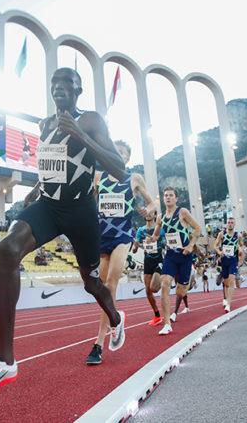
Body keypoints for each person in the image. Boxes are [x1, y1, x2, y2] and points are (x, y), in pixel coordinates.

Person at [0, 68, 127, 403]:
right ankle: (4, 362)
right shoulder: (44, 125)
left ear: (78, 89)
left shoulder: (92, 119)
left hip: (82, 211)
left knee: (91, 282)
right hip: (50, 206)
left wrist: (81, 135)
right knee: (8, 249)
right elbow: (55, 163)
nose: (58, 89)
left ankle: (114, 317)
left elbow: (118, 168)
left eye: (65, 84)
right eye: (54, 84)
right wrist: (38, 187)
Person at [86, 141, 158, 365]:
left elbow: (153, 201)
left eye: (123, 153)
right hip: (101, 236)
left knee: (110, 283)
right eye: (114, 151)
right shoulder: (98, 177)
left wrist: (150, 209)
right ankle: (117, 319)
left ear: (127, 158)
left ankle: (98, 344)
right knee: (99, 288)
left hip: (122, 236)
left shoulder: (133, 178)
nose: (118, 155)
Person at [152, 187, 201, 336]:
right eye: (165, 195)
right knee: (165, 284)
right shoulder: (160, 217)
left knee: (181, 291)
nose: (168, 198)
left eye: (171, 195)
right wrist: (149, 239)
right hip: (170, 256)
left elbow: (197, 228)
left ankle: (190, 279)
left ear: (176, 198)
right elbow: (155, 235)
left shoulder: (182, 212)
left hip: (185, 256)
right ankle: (167, 324)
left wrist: (191, 245)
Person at [133, 211, 166, 323]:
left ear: (155, 215)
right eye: (146, 213)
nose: (148, 214)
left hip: (159, 260)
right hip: (147, 261)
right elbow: (135, 247)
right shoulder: (140, 230)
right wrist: (135, 246)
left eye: (150, 213)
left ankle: (163, 281)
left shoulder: (160, 230)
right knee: (148, 291)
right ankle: (157, 315)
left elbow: (166, 242)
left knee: (154, 288)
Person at [214, 217, 243, 312]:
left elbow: (241, 245)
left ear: (234, 224)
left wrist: (240, 250)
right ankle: (225, 298)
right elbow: (215, 245)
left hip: (233, 260)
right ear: (227, 224)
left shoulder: (238, 235)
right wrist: (219, 251)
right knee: (226, 283)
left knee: (231, 282)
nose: (230, 224)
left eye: (232, 223)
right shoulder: (222, 234)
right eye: (229, 222)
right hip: (223, 261)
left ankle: (228, 305)